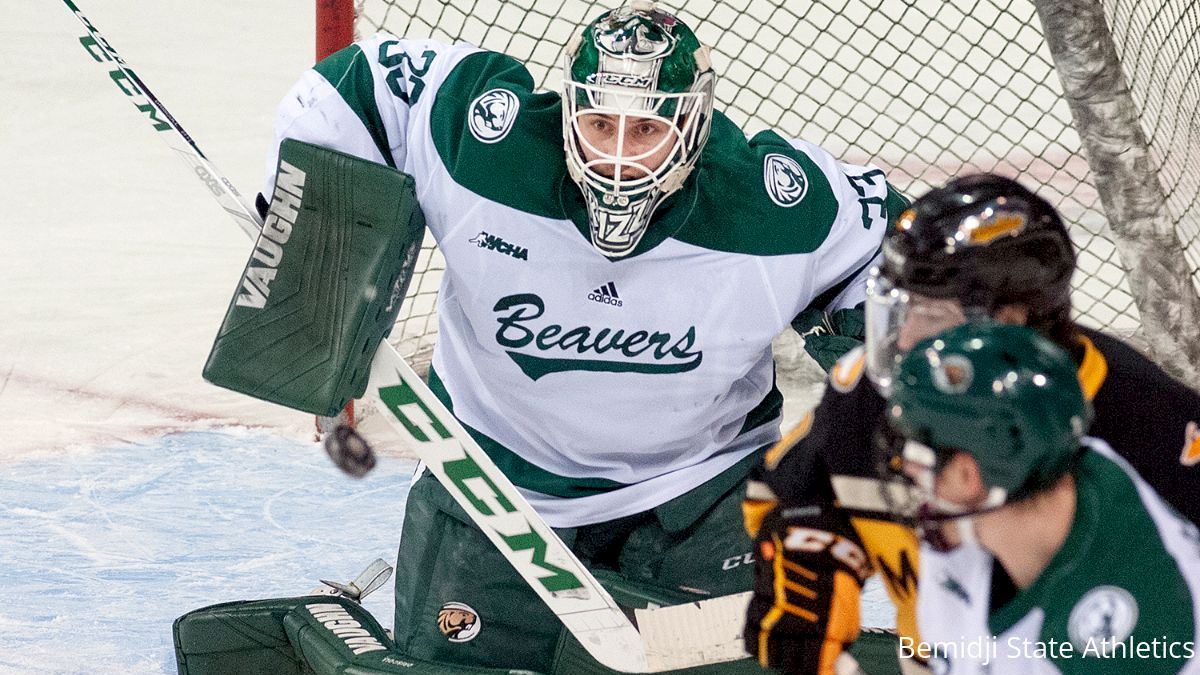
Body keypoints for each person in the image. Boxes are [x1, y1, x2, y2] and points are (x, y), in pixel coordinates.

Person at [260, 1, 907, 670]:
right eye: (600, 124)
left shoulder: (772, 204)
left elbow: (905, 258)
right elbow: (355, 86)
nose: (618, 159)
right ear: (569, 111)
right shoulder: (488, 148)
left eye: (647, 129)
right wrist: (311, 240)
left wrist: (899, 400)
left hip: (702, 494)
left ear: (692, 124)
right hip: (494, 481)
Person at [743, 173, 1200, 674]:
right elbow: (797, 491)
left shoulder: (1150, 421)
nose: (906, 337)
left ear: (1015, 321)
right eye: (900, 309)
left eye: (933, 316)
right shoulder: (872, 391)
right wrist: (812, 563)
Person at [890, 322, 1200, 674]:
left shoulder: (1144, 638)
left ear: (967, 475)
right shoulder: (979, 513)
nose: (907, 471)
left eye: (917, 454)